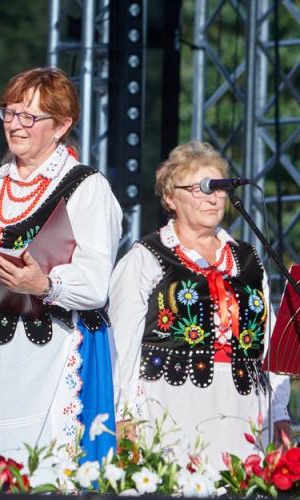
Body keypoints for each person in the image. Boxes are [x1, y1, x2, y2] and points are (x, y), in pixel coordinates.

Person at [0, 67, 122, 473]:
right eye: (9, 113)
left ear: (62, 126)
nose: (15, 124)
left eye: (29, 116)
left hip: (41, 361)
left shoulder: (86, 187)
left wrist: (45, 284)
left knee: (32, 470)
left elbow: (95, 284)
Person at [109, 140, 290, 469]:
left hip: (246, 411)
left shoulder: (249, 259)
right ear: (170, 198)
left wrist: (280, 412)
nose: (212, 197)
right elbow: (121, 346)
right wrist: (124, 415)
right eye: (199, 188)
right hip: (172, 406)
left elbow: (270, 343)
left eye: (218, 187)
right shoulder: (145, 257)